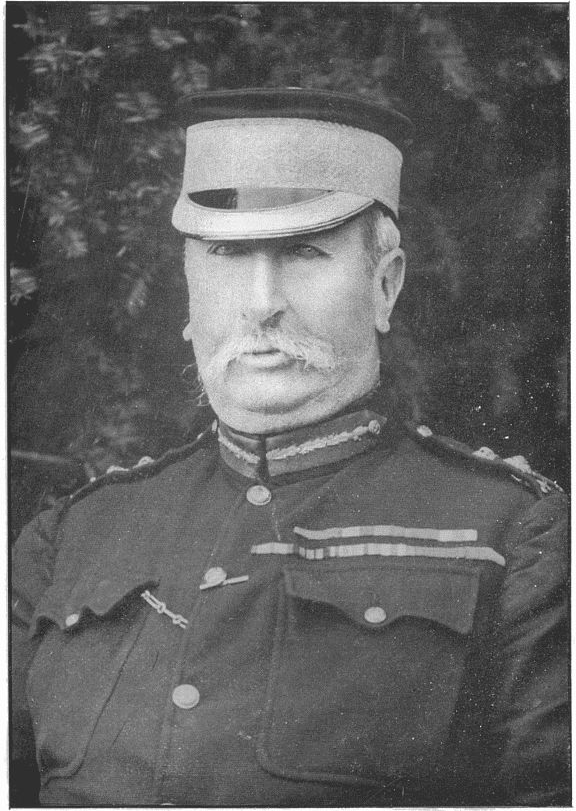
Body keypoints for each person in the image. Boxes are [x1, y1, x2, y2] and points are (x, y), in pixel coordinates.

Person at [11, 88, 569, 807]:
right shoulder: (72, 537)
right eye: (226, 254)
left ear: (385, 285)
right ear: (189, 290)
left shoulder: (512, 535)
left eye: (304, 252)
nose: (261, 301)